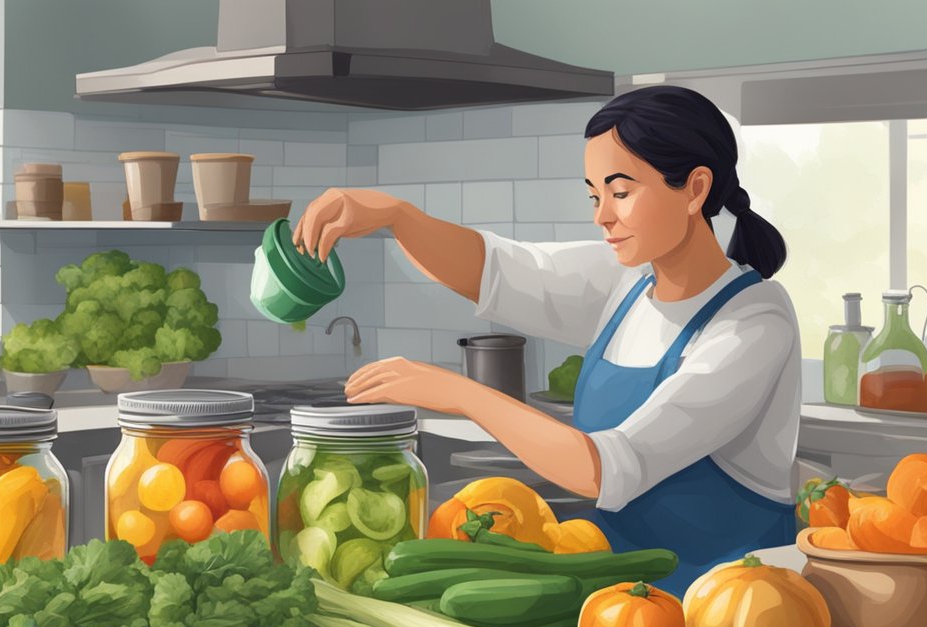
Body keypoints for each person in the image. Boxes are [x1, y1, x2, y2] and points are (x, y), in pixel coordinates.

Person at [293, 85, 800, 594]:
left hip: (732, 607)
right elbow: (495, 269)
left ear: (694, 189)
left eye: (620, 192)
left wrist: (457, 393)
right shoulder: (625, 282)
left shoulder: (753, 320)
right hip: (616, 597)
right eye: (594, 195)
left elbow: (606, 469)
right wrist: (395, 216)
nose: (601, 215)